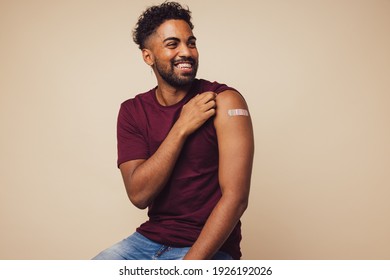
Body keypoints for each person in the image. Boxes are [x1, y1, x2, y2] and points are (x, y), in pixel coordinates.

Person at [93, 1, 254, 260]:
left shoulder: (225, 101)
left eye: (190, 42)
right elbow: (139, 194)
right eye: (172, 44)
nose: (186, 52)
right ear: (148, 56)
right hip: (147, 242)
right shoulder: (132, 111)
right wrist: (181, 127)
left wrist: (187, 269)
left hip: (209, 248)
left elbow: (236, 199)